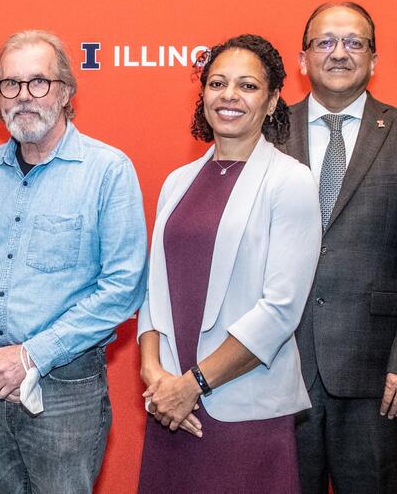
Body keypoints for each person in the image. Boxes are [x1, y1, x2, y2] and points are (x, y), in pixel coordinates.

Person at [0, 29, 148, 493]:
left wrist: (30, 357)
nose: (24, 97)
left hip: (65, 392)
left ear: (66, 91)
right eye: (10, 84)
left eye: (39, 82)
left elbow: (123, 288)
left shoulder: (107, 171)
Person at [136, 34, 321, 493]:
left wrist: (193, 384)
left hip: (241, 406)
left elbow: (280, 310)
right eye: (218, 83)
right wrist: (153, 374)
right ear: (203, 95)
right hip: (171, 406)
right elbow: (153, 291)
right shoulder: (178, 182)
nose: (230, 96)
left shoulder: (290, 182)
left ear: (274, 98)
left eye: (248, 86)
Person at [281, 3, 397, 494]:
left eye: (354, 42)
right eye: (325, 42)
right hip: (278, 366)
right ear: (303, 58)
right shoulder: (266, 134)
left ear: (374, 60)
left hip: (379, 374)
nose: (339, 53)